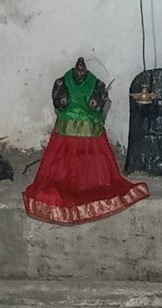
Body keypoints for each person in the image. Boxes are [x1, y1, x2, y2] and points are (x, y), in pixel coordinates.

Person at [23, 57, 149, 224]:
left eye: (82, 69)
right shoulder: (62, 82)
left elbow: (98, 103)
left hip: (86, 121)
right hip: (70, 120)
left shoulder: (96, 83)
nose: (81, 70)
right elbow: (59, 103)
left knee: (88, 129)